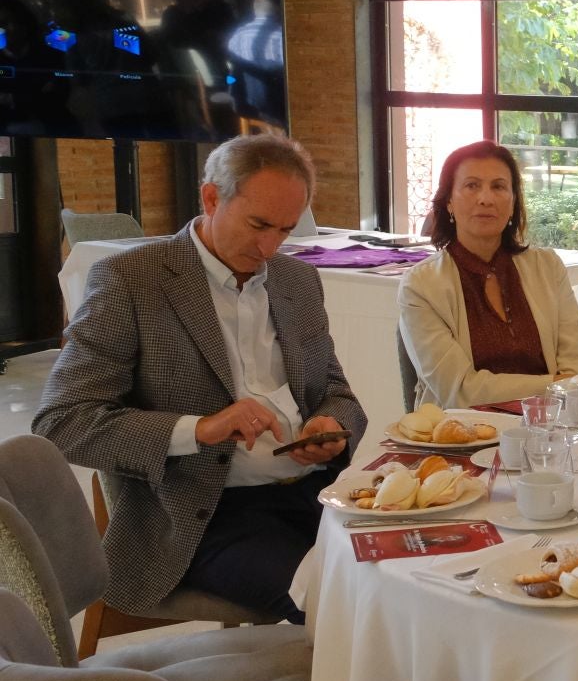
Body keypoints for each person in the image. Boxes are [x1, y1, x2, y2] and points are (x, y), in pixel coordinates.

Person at [34, 134, 365, 623]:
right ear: (211, 198)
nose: (270, 246)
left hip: (315, 493)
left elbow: (335, 391)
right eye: (258, 225)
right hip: (204, 515)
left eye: (286, 229)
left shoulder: (297, 281)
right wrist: (198, 429)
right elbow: (62, 423)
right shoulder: (132, 280)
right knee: (350, 603)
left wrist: (329, 426)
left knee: (419, 578)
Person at [398, 140, 578, 408]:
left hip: (552, 430)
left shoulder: (547, 268)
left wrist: (566, 385)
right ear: (449, 202)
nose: (485, 198)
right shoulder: (421, 285)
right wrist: (555, 384)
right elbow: (459, 391)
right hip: (460, 437)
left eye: (499, 186)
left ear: (513, 203)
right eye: (472, 186)